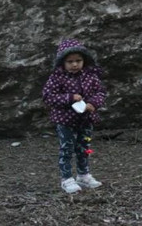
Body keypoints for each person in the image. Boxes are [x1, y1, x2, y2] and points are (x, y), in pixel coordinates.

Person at [41, 38, 107, 193]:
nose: (75, 64)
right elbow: (48, 96)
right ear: (62, 62)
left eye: (78, 60)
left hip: (86, 119)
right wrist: (69, 98)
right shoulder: (57, 77)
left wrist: (93, 104)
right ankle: (66, 178)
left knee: (85, 148)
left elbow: (100, 92)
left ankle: (83, 175)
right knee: (67, 148)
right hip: (65, 120)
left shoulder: (91, 76)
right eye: (70, 61)